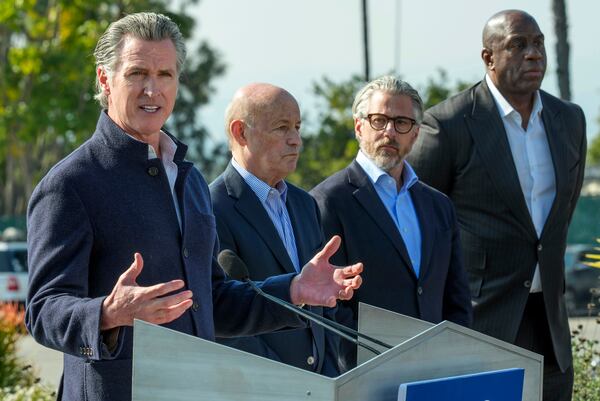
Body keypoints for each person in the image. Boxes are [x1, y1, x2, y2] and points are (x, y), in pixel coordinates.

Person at [25, 12, 362, 401]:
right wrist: (107, 312)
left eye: (165, 75)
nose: (152, 90)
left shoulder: (189, 179)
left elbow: (211, 302)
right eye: (137, 74)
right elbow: (43, 311)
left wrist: (293, 290)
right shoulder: (70, 184)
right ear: (105, 79)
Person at [406, 10, 586, 401]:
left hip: (551, 326)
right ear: (488, 57)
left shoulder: (568, 119)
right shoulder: (448, 124)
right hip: (481, 321)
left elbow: (561, 215)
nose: (534, 54)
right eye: (518, 45)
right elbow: (418, 224)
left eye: (538, 43)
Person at [311, 76, 472, 371]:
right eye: (378, 120)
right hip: (368, 371)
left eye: (401, 123)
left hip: (436, 370)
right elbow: (328, 305)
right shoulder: (328, 201)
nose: (389, 131)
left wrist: (454, 358)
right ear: (359, 127)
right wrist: (364, 360)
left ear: (416, 133)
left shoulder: (438, 205)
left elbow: (456, 296)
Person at [210, 83, 340, 376]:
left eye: (297, 127)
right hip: (259, 387)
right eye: (282, 128)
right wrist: (283, 384)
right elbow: (225, 314)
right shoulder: (211, 208)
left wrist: (329, 377)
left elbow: (323, 310)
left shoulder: (305, 204)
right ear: (240, 132)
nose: (296, 140)